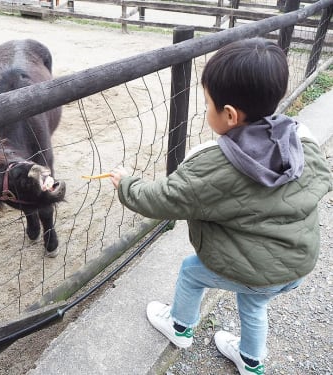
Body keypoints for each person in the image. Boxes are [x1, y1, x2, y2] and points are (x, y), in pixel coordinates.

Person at [110, 38, 331, 375]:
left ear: (229, 115)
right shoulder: (299, 141)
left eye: (208, 104)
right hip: (296, 263)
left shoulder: (217, 167)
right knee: (255, 300)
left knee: (190, 271)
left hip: (262, 268)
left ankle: (181, 328)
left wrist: (127, 183)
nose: (205, 110)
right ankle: (251, 362)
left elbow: (162, 198)